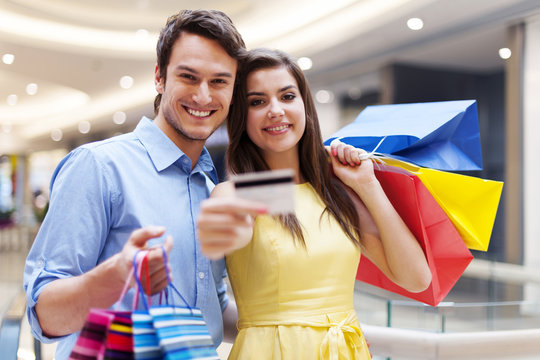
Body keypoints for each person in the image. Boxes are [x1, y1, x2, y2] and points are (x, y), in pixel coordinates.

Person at [23, 9, 246, 359]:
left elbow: (210, 309)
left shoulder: (209, 186)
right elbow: (43, 315)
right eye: (188, 77)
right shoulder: (99, 167)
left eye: (219, 81)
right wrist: (108, 282)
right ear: (160, 77)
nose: (204, 96)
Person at [196, 48, 432, 359]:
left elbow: (417, 279)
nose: (276, 110)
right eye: (257, 102)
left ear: (305, 105)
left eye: (287, 96)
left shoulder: (337, 194)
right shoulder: (234, 195)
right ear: (241, 116)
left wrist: (367, 185)